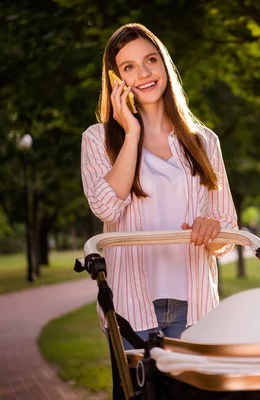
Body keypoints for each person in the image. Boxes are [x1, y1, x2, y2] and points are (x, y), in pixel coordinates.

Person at [80, 23, 237, 397]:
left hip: (195, 304)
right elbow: (105, 204)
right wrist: (131, 134)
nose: (144, 73)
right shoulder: (97, 140)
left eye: (150, 60)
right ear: (115, 79)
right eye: (129, 67)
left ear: (164, 65)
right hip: (132, 307)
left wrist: (211, 230)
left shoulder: (203, 141)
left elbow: (227, 229)